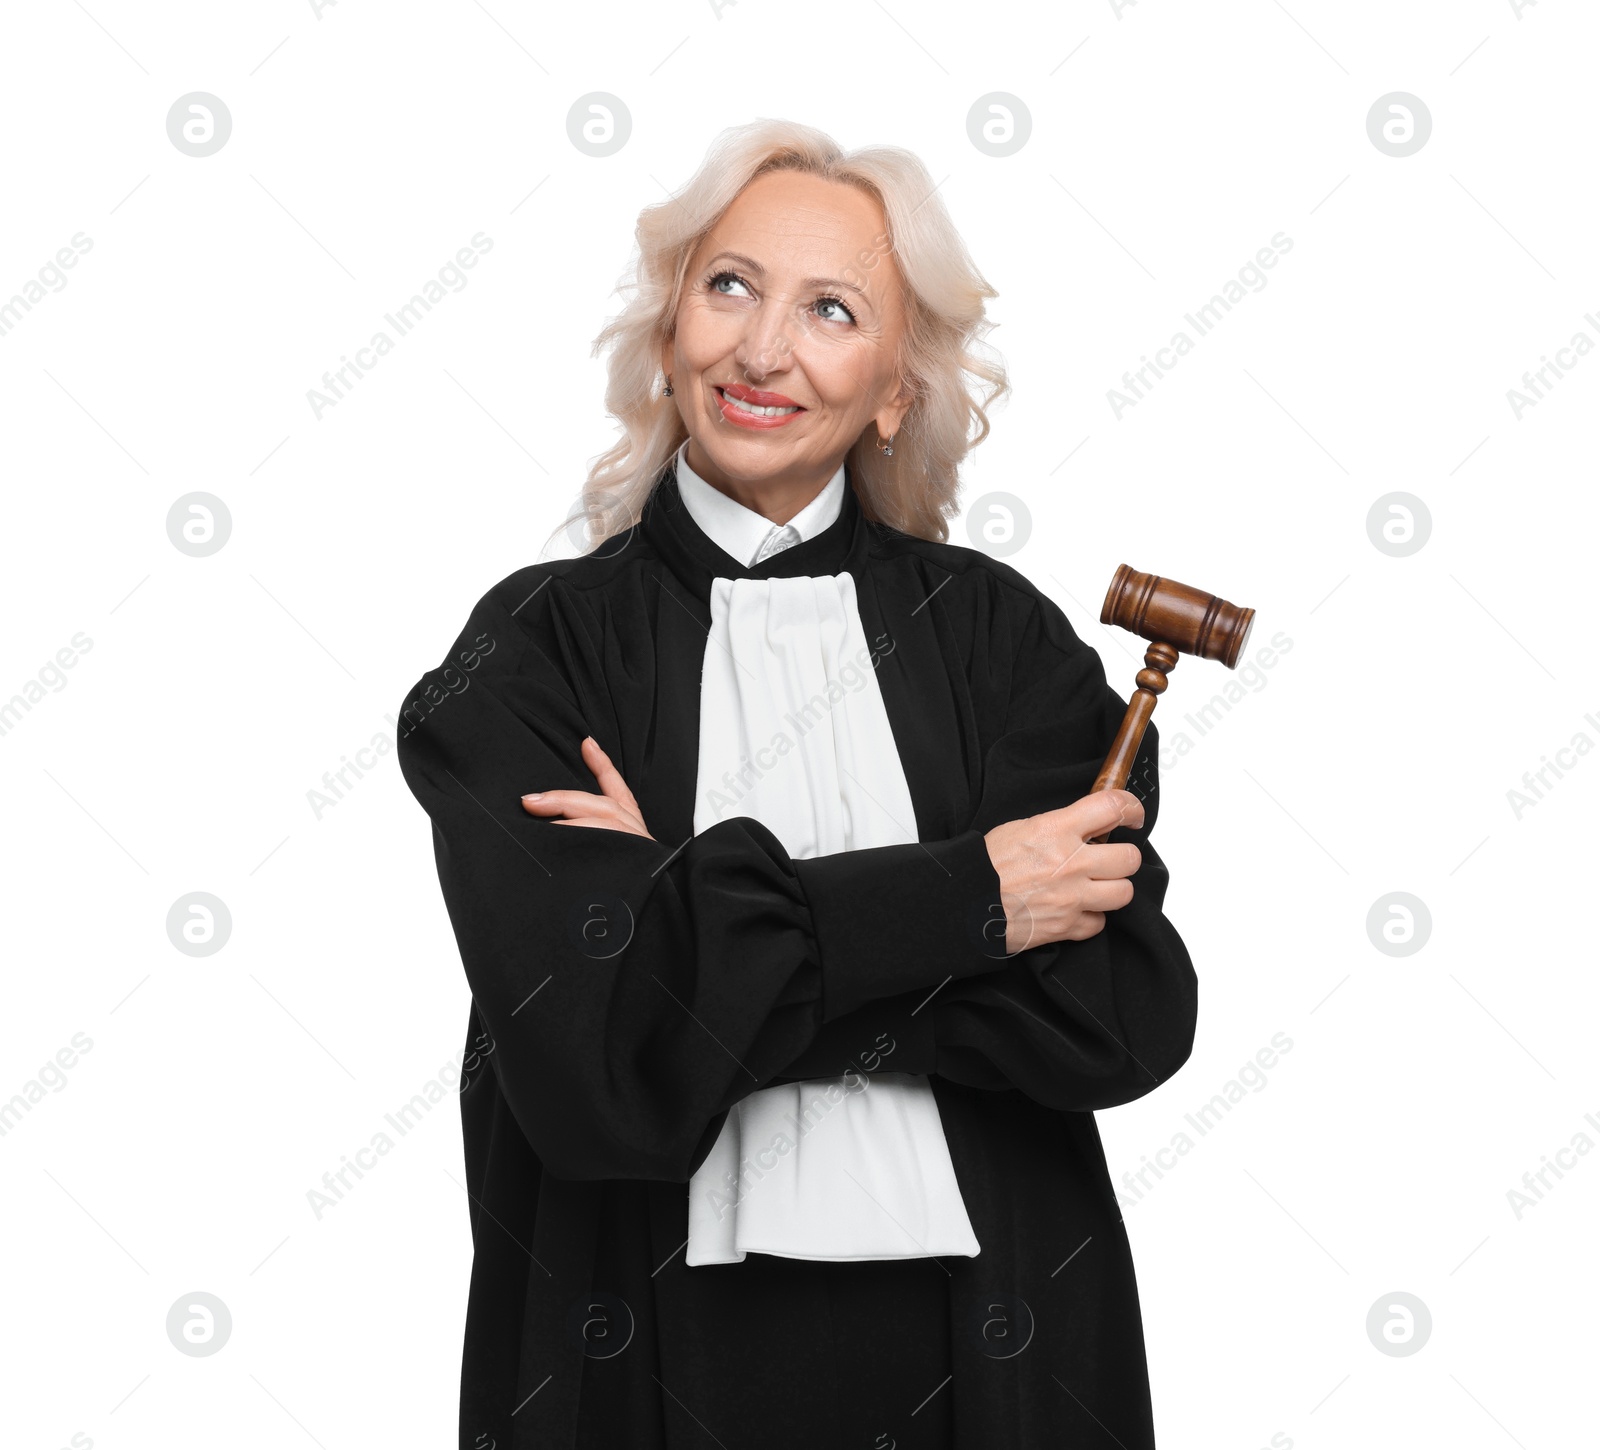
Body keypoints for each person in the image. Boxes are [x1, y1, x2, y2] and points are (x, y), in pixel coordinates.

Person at [397, 117, 1198, 1450]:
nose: (762, 350)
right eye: (728, 287)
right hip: (634, 1352)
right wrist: (977, 895)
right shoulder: (530, 650)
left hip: (994, 1352)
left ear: (893, 385)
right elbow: (590, 1074)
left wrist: (690, 925)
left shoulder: (1001, 640)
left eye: (831, 309)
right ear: (668, 332)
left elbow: (1120, 1011)